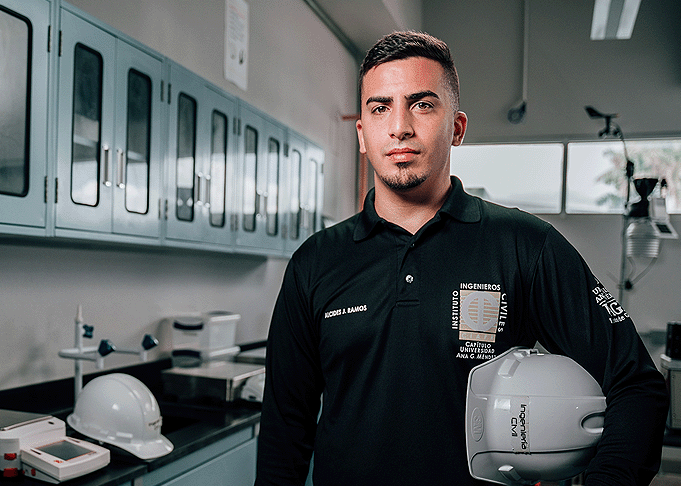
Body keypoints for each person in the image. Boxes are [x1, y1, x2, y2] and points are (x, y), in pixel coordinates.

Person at [255, 31, 669, 486]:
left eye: (422, 104)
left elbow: (636, 385)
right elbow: (284, 431)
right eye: (379, 107)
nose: (399, 127)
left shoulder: (525, 245)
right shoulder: (315, 263)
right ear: (362, 133)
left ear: (457, 127)